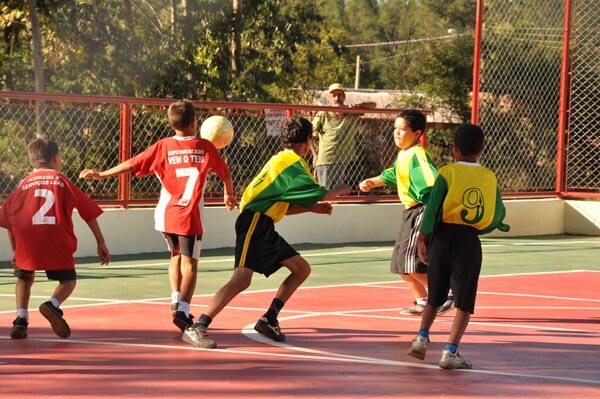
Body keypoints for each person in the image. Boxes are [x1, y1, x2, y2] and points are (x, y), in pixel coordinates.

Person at [182, 115, 351, 349]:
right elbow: (322, 193)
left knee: (301, 269)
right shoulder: (294, 164)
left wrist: (312, 209)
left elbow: (278, 205)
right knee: (241, 280)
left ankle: (269, 319)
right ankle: (198, 325)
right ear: (309, 141)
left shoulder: (280, 159)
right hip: (254, 222)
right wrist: (343, 188)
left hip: (262, 222)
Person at [80, 100, 238, 333]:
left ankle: (175, 299)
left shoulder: (163, 145)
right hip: (190, 216)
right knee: (191, 264)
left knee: (174, 256)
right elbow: (225, 173)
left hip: (166, 215)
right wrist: (229, 194)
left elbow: (132, 164)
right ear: (195, 122)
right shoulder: (205, 147)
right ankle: (183, 310)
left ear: (171, 123)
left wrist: (102, 174)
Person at [407, 123, 509, 369]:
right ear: (482, 150)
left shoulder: (447, 172)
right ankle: (450, 351)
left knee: (435, 294)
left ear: (454, 149)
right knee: (464, 300)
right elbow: (497, 212)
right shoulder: (489, 176)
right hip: (468, 239)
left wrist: (423, 237)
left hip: (442, 236)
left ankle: (421, 338)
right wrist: (482, 228)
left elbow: (433, 207)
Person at [0, 137, 110, 339]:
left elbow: (8, 221)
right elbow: (89, 212)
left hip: (28, 241)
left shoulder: (22, 185)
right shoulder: (62, 181)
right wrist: (100, 241)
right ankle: (53, 304)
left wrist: (16, 250)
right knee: (68, 280)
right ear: (56, 158)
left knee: (24, 277)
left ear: (31, 160)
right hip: (57, 240)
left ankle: (20, 319)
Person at [359, 110, 453, 316]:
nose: (396, 133)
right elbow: (392, 175)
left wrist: (432, 215)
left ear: (417, 133)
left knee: (412, 262)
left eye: (402, 130)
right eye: (395, 129)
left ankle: (446, 292)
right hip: (410, 212)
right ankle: (423, 300)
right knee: (400, 263)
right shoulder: (404, 155)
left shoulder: (417, 154)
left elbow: (433, 183)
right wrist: (373, 182)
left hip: (422, 209)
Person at [311, 83, 375, 189]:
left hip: (343, 158)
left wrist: (357, 106)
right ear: (329, 97)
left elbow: (373, 105)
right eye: (334, 95)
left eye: (340, 95)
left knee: (336, 193)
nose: (337, 98)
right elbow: (310, 133)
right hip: (327, 158)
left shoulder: (351, 111)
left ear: (344, 96)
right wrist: (315, 154)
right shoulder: (323, 113)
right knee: (325, 192)